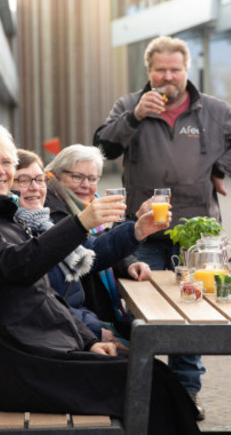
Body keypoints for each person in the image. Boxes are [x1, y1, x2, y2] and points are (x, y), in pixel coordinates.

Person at [0, 123, 200, 434]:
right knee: (150, 383)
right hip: (13, 364)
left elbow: (46, 295)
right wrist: (81, 223)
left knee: (155, 378)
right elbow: (19, 268)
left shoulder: (0, 217)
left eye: (5, 162)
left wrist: (88, 340)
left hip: (40, 350)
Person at [93, 35, 231, 417]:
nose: (168, 77)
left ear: (186, 71)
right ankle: (144, 388)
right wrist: (135, 116)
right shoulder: (129, 105)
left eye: (175, 70)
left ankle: (186, 394)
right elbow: (104, 149)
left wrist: (221, 168)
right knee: (141, 313)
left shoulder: (213, 110)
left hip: (197, 231)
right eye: (160, 70)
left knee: (192, 313)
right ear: (149, 71)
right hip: (143, 230)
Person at [14, 148, 149, 349]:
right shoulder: (51, 216)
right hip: (65, 331)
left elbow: (93, 247)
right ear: (56, 176)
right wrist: (94, 335)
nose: (86, 185)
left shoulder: (46, 221)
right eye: (77, 177)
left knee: (145, 350)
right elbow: (48, 299)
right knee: (145, 358)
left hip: (80, 321)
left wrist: (136, 231)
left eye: (92, 178)